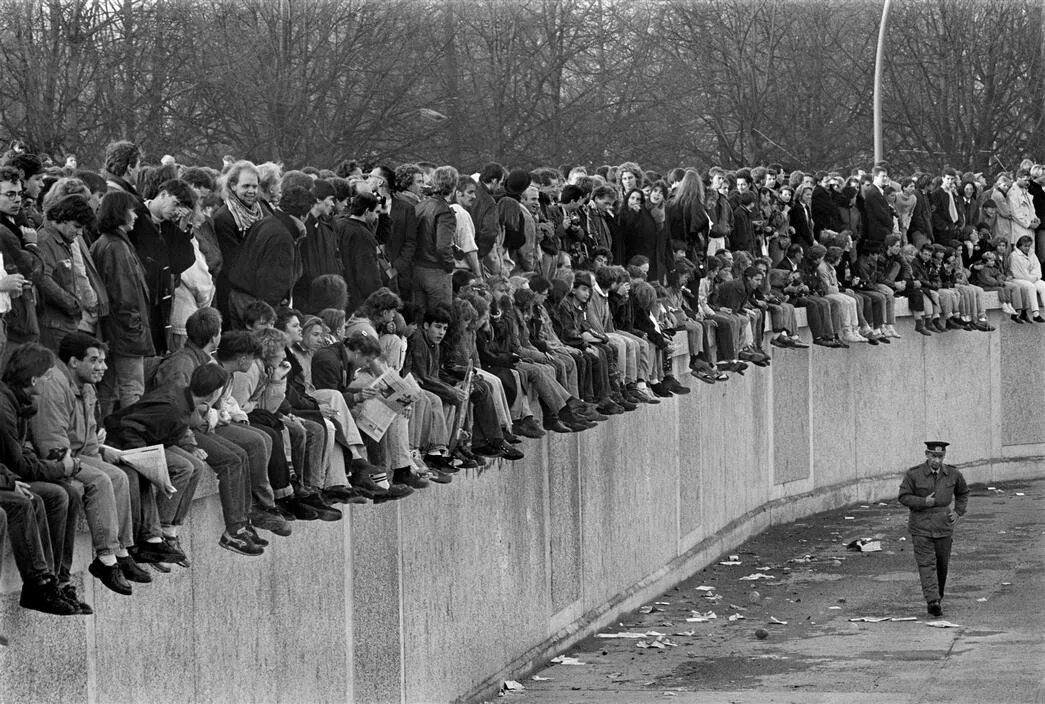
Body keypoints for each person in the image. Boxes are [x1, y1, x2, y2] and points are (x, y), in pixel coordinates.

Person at [897, 441, 969, 618]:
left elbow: (963, 493)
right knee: (927, 564)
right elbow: (903, 496)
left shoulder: (952, 474)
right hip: (921, 526)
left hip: (943, 526)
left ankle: (938, 597)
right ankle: (932, 601)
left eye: (940, 456)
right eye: (933, 456)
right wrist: (923, 502)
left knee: (941, 565)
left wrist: (958, 512)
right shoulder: (914, 474)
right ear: (926, 455)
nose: (936, 460)